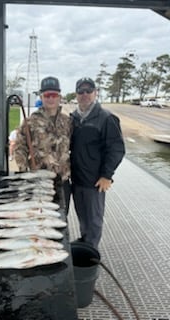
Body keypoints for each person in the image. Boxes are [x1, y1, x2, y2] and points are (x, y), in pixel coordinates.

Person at [70, 77, 125, 249]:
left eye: (88, 91)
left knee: (94, 218)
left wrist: (106, 176)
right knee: (82, 214)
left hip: (95, 180)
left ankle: (91, 249)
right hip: (77, 178)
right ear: (76, 94)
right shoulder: (73, 118)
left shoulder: (106, 118)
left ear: (95, 93)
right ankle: (85, 240)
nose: (85, 94)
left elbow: (117, 149)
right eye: (81, 91)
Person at [15, 76, 71, 209]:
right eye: (47, 95)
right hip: (39, 181)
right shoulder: (30, 122)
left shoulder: (68, 121)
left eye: (54, 95)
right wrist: (24, 172)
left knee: (61, 219)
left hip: (62, 181)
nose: (50, 99)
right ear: (41, 97)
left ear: (59, 97)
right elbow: (20, 148)